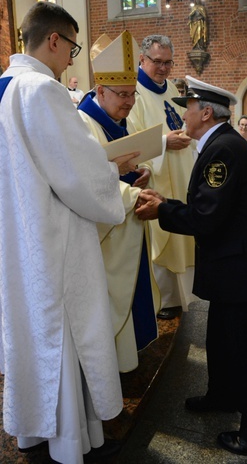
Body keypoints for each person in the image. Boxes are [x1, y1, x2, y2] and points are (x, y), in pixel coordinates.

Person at [0, 1, 139, 463]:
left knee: (32, 331)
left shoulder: (3, 87)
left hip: (18, 237)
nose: (71, 60)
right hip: (53, 239)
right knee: (64, 334)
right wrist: (112, 173)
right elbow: (77, 177)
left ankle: (33, 434)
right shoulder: (41, 89)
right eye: (72, 47)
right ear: (54, 40)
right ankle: (70, 443)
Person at [135, 76, 247, 457]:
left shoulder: (223, 150)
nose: (183, 113)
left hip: (241, 270)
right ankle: (222, 395)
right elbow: (211, 209)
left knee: (242, 350)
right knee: (219, 338)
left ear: (204, 112)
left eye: (188, 107)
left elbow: (206, 217)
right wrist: (166, 201)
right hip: (233, 265)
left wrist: (161, 210)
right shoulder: (219, 144)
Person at [78, 30, 160, 372]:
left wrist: (141, 172)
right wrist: (135, 193)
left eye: (132, 94)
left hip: (129, 222)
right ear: (100, 90)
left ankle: (130, 355)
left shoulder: (116, 119)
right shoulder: (83, 123)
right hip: (108, 234)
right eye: (122, 95)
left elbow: (120, 163)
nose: (129, 102)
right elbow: (88, 182)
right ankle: (110, 364)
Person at [128, 35, 196, 320]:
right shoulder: (131, 93)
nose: (164, 68)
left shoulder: (170, 88)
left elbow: (179, 120)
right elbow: (131, 138)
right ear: (142, 60)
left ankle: (183, 297)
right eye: (158, 62)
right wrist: (166, 142)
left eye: (168, 62)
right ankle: (164, 299)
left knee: (184, 232)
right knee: (163, 235)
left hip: (180, 170)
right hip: (157, 175)